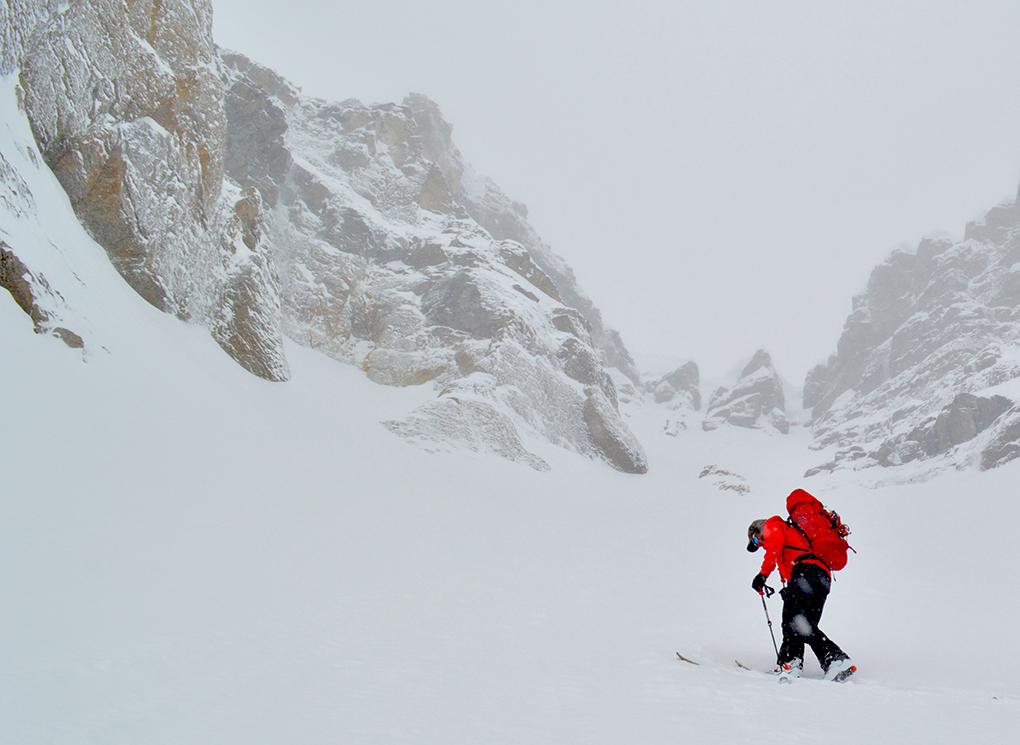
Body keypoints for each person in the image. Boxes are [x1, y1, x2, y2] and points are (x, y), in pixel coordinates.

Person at [747, 512, 856, 682]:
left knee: (792, 620)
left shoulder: (772, 525)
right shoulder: (793, 536)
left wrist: (763, 575)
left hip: (805, 573)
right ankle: (830, 662)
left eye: (756, 540)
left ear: (759, 529)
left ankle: (795, 663)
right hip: (821, 577)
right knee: (803, 625)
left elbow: (773, 548)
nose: (760, 545)